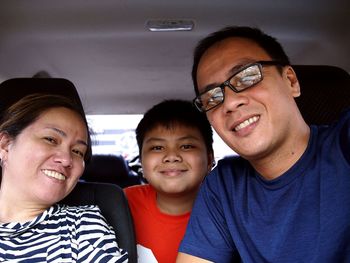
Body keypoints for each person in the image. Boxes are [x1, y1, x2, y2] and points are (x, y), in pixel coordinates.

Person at [177, 26, 350, 262]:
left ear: (290, 81)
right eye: (212, 97)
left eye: (246, 77)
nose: (229, 103)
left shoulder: (343, 144)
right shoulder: (224, 186)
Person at [0, 93, 128, 262]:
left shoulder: (84, 228)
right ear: (5, 145)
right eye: (50, 139)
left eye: (77, 152)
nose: (67, 160)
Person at [124, 99, 214, 263]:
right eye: (157, 148)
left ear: (209, 159)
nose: (171, 156)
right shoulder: (120, 204)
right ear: (142, 162)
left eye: (186, 146)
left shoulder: (226, 212)